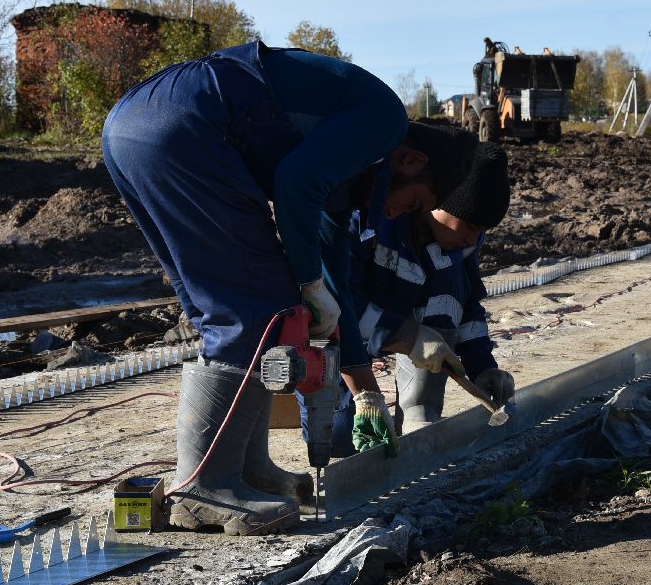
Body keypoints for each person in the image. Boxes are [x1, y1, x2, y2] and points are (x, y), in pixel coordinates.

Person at [101, 41, 490, 535]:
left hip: (135, 126)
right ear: (411, 162)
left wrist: (360, 382)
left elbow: (331, 286)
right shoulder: (383, 119)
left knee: (248, 307)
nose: (397, 216)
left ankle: (243, 467)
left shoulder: (351, 167)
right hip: (187, 130)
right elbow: (294, 183)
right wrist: (305, 282)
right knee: (256, 311)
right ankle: (204, 487)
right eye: (414, 205)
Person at [345, 141, 513, 441]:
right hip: (346, 352)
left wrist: (482, 367)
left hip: (402, 339)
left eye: (481, 231)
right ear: (442, 201)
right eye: (470, 225)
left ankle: (419, 411)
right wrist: (404, 337)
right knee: (346, 436)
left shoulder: (462, 243)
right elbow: (340, 307)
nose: (472, 239)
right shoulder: (378, 216)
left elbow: (467, 308)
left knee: (402, 435)